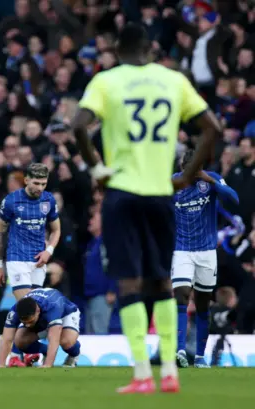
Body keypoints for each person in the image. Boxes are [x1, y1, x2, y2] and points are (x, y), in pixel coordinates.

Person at [71, 23, 221, 394]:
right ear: (150, 50)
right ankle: (170, 369)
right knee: (161, 282)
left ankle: (141, 374)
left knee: (128, 283)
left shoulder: (107, 81)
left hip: (122, 193)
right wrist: (186, 177)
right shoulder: (173, 81)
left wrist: (97, 169)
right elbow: (212, 128)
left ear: (119, 50)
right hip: (160, 194)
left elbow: (78, 127)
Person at [172, 149, 238, 368]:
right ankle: (180, 350)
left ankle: (200, 356)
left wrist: (211, 180)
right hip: (182, 250)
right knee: (181, 295)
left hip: (207, 252)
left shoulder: (210, 180)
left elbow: (233, 199)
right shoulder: (173, 183)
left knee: (202, 305)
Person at [0, 163, 61, 368]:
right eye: (36, 183)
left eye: (43, 183)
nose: (40, 187)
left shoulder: (48, 200)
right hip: (16, 259)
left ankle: (24, 352)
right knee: (27, 305)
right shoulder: (11, 201)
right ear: (26, 180)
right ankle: (16, 353)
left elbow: (56, 230)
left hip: (38, 262)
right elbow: (1, 233)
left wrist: (48, 251)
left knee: (34, 312)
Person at [3, 288, 81, 368]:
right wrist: (0, 364)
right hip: (43, 317)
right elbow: (7, 338)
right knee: (20, 340)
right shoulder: (15, 310)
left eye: (30, 322)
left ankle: (74, 355)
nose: (28, 326)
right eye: (24, 322)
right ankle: (46, 351)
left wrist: (47, 364)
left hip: (65, 314)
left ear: (37, 311)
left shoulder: (52, 307)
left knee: (66, 341)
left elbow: (54, 339)